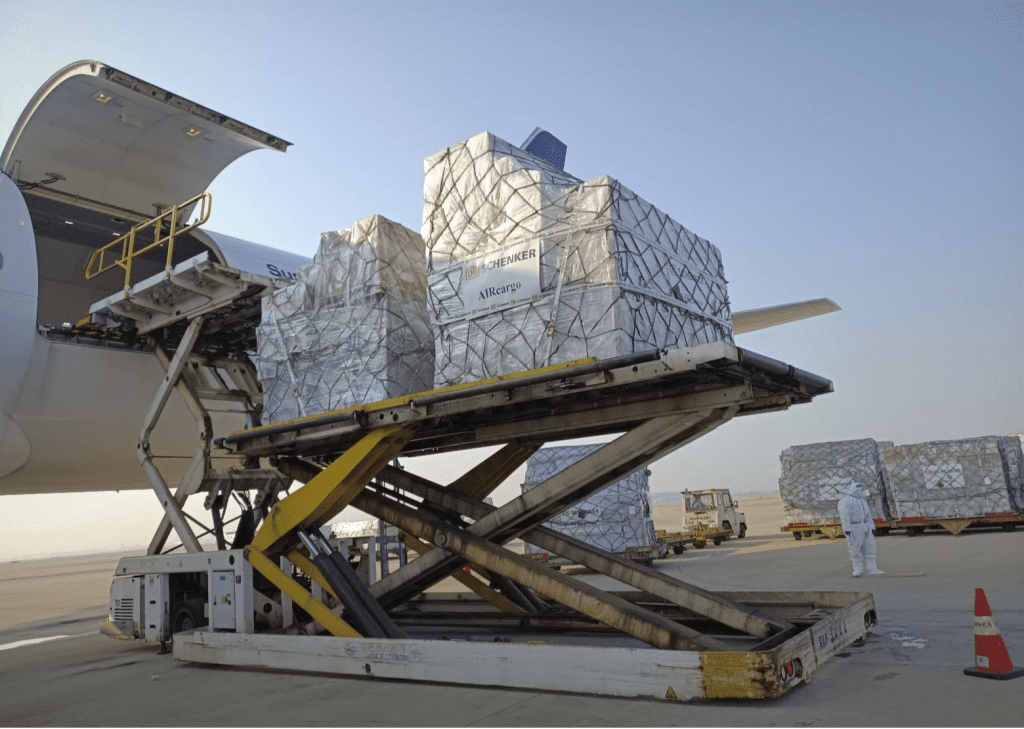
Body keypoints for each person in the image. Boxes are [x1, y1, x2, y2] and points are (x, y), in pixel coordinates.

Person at [837, 482, 885, 577]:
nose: (863, 491)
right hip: (854, 527)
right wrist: (847, 529)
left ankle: (872, 568)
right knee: (855, 548)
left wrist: (871, 527)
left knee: (870, 547)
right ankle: (858, 569)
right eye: (861, 489)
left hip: (865, 526)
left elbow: (867, 515)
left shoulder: (862, 500)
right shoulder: (845, 501)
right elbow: (844, 516)